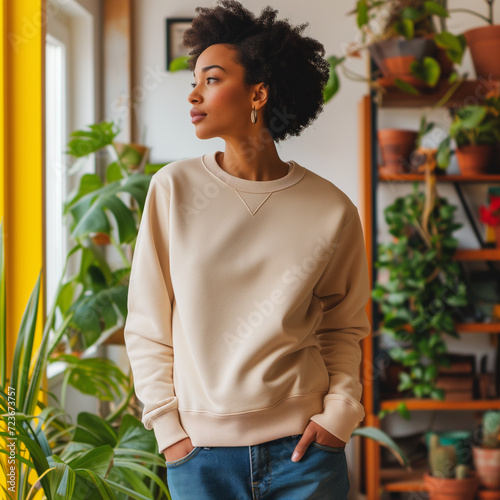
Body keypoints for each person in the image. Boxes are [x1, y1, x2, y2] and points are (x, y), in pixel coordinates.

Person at [123, 1, 371, 498]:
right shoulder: (174, 190)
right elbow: (147, 325)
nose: (193, 93)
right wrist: (171, 435)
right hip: (200, 460)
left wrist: (339, 415)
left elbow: (343, 327)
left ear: (258, 92)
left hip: (305, 455)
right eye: (194, 80)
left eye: (212, 79)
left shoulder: (331, 208)